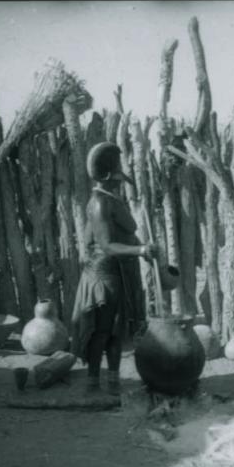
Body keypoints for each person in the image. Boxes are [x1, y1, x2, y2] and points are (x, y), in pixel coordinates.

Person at [71, 141, 157, 395]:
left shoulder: (111, 199)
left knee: (116, 331)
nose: (122, 175)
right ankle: (93, 383)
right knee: (102, 331)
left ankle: (113, 383)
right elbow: (107, 245)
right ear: (108, 175)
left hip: (118, 274)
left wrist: (143, 249)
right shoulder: (99, 203)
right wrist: (141, 251)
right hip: (103, 276)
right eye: (118, 168)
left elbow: (124, 234)